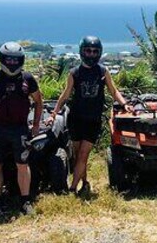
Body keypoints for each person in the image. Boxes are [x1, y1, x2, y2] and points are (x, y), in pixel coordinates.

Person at [48, 36, 128, 196]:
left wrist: (125, 104)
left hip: (93, 120)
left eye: (95, 51)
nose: (91, 54)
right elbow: (65, 95)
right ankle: (84, 183)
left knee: (84, 154)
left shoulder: (103, 72)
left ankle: (72, 188)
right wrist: (54, 112)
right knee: (78, 155)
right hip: (76, 119)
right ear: (82, 51)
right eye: (88, 51)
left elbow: (113, 91)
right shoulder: (74, 73)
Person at [0, 41, 43, 215]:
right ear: (2, 59)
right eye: (9, 60)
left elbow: (39, 101)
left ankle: (25, 201)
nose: (12, 63)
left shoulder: (28, 79)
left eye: (16, 60)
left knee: (23, 164)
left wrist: (36, 124)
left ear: (21, 60)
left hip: (20, 129)